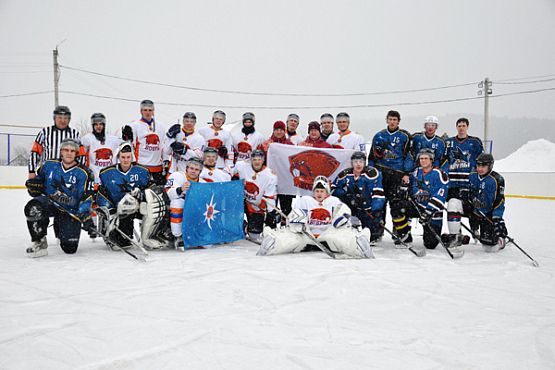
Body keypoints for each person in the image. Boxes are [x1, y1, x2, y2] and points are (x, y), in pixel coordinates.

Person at [258, 175, 373, 258]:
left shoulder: (334, 201)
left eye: (322, 191)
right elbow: (295, 213)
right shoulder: (305, 201)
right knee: (290, 240)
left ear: (327, 192)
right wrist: (298, 222)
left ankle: (359, 245)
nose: (319, 193)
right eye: (317, 191)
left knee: (342, 239)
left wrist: (341, 219)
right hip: (306, 236)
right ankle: (272, 243)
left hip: (328, 234)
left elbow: (344, 212)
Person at [24, 138, 94, 257]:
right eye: (66, 150)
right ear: (61, 151)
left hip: (70, 210)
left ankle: (60, 226)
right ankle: (39, 242)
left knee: (70, 248)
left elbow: (86, 197)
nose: (69, 153)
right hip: (50, 203)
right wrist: (33, 185)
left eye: (72, 151)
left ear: (76, 153)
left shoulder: (84, 172)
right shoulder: (49, 165)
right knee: (33, 207)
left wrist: (84, 213)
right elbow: (39, 180)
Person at [96, 142, 169, 250]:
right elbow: (101, 193)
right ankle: (116, 235)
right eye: (123, 157)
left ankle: (149, 236)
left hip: (137, 206)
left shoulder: (142, 171)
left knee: (151, 206)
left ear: (132, 157)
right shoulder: (106, 173)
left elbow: (152, 189)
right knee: (127, 207)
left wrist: (142, 194)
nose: (125, 160)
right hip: (118, 208)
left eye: (128, 157)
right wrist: (110, 210)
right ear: (118, 157)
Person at [390, 148, 450, 256]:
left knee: (430, 244)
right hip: (417, 207)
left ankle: (446, 237)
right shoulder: (416, 172)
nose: (423, 161)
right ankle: (405, 236)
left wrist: (428, 212)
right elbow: (409, 187)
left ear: (431, 160)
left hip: (432, 212)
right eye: (421, 158)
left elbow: (441, 196)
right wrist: (403, 187)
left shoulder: (439, 174)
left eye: (426, 158)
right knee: (397, 206)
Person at [367, 110, 413, 240]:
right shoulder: (379, 136)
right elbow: (371, 157)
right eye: (390, 119)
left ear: (398, 121)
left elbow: (409, 156)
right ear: (386, 120)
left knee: (396, 204)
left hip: (397, 175)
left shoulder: (405, 136)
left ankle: (398, 232)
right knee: (379, 203)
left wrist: (406, 173)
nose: (392, 122)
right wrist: (372, 173)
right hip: (381, 174)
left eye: (395, 119)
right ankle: (378, 231)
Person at [444, 118, 484, 249]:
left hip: (468, 183)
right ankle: (457, 233)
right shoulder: (449, 142)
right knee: (453, 206)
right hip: (453, 183)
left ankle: (474, 228)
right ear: (456, 127)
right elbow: (444, 160)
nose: (461, 128)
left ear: (467, 127)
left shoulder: (475, 142)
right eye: (459, 126)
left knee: (471, 207)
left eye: (463, 126)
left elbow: (481, 161)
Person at [332, 151, 385, 245]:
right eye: (355, 161)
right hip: (353, 206)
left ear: (365, 163)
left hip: (367, 208)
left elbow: (378, 193)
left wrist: (375, 210)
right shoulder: (345, 174)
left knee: (372, 234)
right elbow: (333, 189)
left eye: (361, 161)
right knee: (348, 226)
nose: (358, 164)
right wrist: (346, 195)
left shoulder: (371, 174)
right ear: (352, 163)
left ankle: (375, 230)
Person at [232, 149, 278, 244]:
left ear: (263, 160)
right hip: (241, 201)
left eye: (259, 159)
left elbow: (270, 197)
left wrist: (271, 212)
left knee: (254, 235)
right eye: (254, 159)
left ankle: (245, 227)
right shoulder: (242, 166)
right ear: (251, 160)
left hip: (256, 205)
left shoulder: (270, 175)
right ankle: (237, 225)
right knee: (230, 213)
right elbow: (228, 172)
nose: (257, 162)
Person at [28, 105, 85, 179]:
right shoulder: (45, 132)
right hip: (48, 173)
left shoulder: (75, 134)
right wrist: (32, 171)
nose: (63, 120)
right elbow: (35, 153)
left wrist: (81, 171)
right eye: (60, 117)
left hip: (69, 174)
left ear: (69, 119)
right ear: (54, 118)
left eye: (66, 118)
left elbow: (81, 155)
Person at [466, 153, 507, 252]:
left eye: (483, 166)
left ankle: (500, 238)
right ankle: (472, 229)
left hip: (488, 214)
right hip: (475, 211)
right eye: (478, 165)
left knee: (488, 248)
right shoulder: (472, 176)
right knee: (455, 205)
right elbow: (469, 193)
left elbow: (499, 200)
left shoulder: (497, 179)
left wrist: (497, 217)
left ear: (490, 166)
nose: (480, 168)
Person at [121, 99, 168, 185]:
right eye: (145, 110)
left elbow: (163, 145)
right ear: (141, 111)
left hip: (157, 167)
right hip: (141, 166)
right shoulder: (134, 125)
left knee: (157, 195)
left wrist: (166, 161)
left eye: (150, 110)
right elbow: (129, 145)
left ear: (153, 111)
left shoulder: (161, 126)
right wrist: (126, 138)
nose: (147, 112)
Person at [165, 157, 205, 249]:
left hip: (194, 209)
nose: (193, 171)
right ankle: (178, 236)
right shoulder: (176, 176)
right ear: (186, 168)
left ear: (200, 171)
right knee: (177, 203)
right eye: (191, 168)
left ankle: (197, 234)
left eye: (196, 169)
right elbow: (169, 194)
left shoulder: (203, 183)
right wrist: (180, 189)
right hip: (172, 207)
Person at [81, 113, 122, 185]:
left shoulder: (113, 139)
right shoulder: (87, 138)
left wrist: (128, 139)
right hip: (94, 179)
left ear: (104, 125)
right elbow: (78, 150)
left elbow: (127, 146)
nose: (98, 127)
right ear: (93, 126)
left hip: (111, 178)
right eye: (96, 124)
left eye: (100, 124)